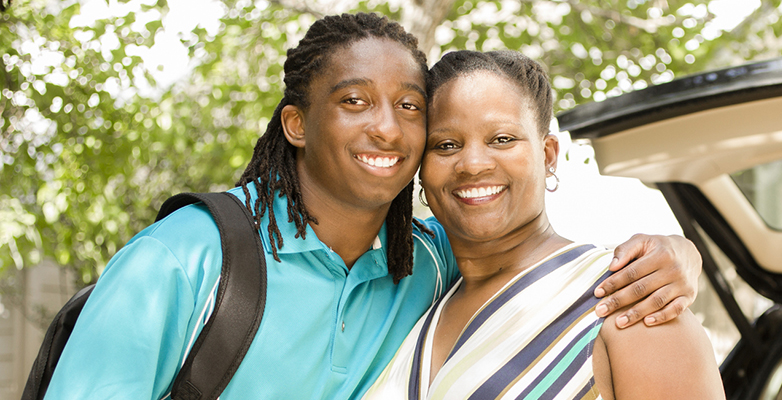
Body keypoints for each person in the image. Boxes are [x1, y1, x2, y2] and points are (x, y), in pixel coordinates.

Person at [43, 13, 701, 399]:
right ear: (296, 125)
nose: (387, 130)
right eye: (354, 101)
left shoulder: (432, 267)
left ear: (550, 156)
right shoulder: (183, 260)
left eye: (409, 109)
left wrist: (681, 254)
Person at [363, 50, 724, 399]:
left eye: (502, 139)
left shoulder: (630, 299)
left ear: (548, 155)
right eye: (445, 145)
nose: (472, 164)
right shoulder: (419, 289)